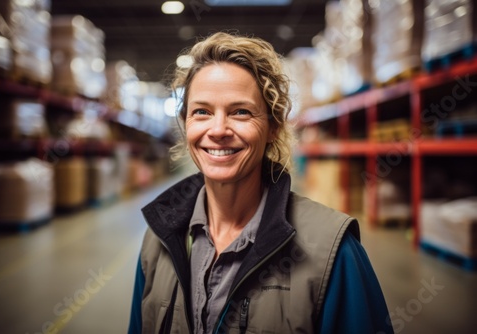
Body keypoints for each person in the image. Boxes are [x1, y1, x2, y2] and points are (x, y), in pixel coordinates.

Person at [128, 32, 393, 334]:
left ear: (273, 127)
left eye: (240, 112)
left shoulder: (333, 251)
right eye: (201, 112)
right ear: (186, 122)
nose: (218, 130)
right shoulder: (159, 239)